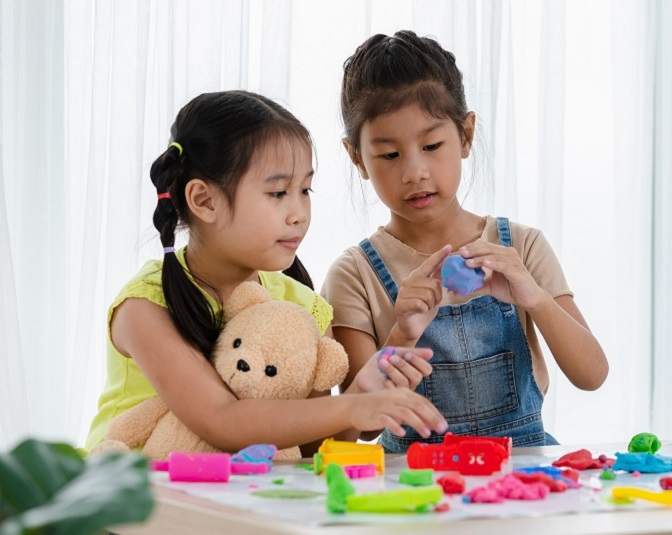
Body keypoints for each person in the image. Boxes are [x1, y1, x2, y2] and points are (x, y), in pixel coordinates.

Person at [85, 90, 447, 456]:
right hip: (135, 489)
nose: (299, 214)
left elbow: (313, 449)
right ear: (204, 201)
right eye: (277, 193)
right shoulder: (146, 307)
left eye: (304, 189)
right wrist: (350, 407)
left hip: (239, 492)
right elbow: (221, 420)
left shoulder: (303, 306)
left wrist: (368, 384)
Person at [322, 31, 608, 453]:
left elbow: (592, 375)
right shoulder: (354, 273)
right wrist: (403, 334)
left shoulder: (522, 246)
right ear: (357, 158)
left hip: (518, 474)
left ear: (466, 135)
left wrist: (533, 296)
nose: (415, 172)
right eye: (389, 155)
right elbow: (356, 428)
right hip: (413, 484)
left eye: (431, 145)